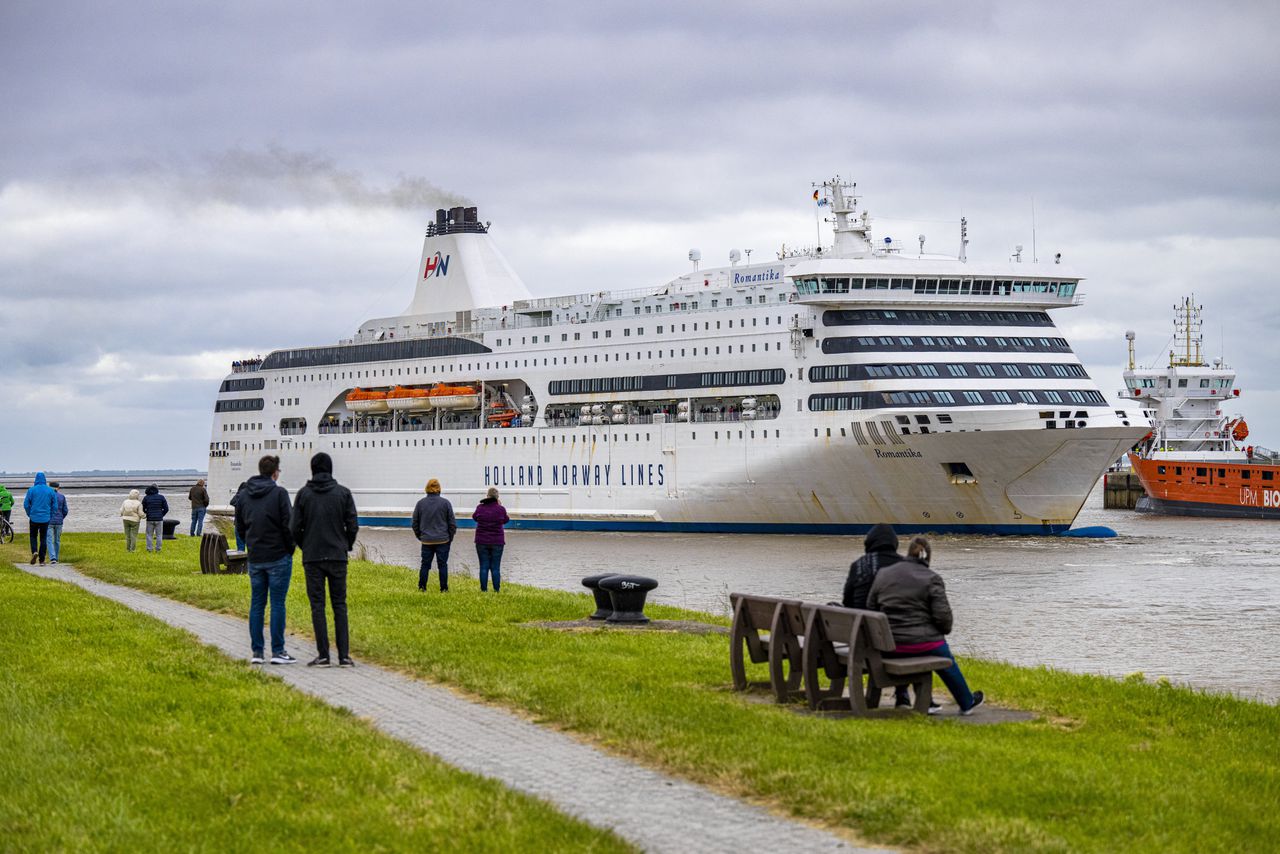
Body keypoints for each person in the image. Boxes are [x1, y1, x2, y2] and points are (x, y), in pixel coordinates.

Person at [867, 535, 985, 716]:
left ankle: (908, 698)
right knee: (943, 654)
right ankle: (966, 702)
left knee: (931, 647)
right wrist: (936, 631)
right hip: (922, 643)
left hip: (889, 645)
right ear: (927, 557)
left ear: (907, 554)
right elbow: (944, 619)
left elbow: (871, 608)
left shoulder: (883, 574)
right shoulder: (932, 578)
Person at [289, 452, 358, 668]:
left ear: (312, 469)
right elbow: (353, 524)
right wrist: (346, 545)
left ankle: (324, 655)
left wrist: (305, 545)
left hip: (313, 558)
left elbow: (293, 528)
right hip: (338, 557)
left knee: (317, 606)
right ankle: (344, 656)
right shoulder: (343, 493)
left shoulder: (303, 495)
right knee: (340, 605)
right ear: (330, 469)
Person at [842, 523, 911, 708]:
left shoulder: (858, 566)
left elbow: (847, 603)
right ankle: (903, 693)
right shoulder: (904, 565)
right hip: (897, 640)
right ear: (894, 543)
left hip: (862, 641)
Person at [236, 455, 296, 665]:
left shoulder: (244, 496)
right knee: (277, 604)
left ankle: (257, 653)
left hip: (256, 558)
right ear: (275, 473)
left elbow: (240, 528)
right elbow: (289, 525)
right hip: (278, 556)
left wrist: (251, 545)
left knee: (257, 604)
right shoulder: (279, 493)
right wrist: (290, 549)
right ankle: (278, 652)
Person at [411, 478, 455, 592]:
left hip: (426, 540)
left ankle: (422, 587)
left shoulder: (420, 504)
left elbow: (414, 523)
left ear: (427, 489)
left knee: (425, 565)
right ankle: (444, 589)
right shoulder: (446, 503)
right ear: (439, 489)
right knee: (442, 565)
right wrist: (450, 538)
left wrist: (420, 536)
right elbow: (452, 524)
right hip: (443, 540)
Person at [472, 486, 510, 592]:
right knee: (495, 567)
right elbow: (506, 520)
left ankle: (484, 590)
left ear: (487, 496)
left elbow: (474, 517)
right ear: (497, 498)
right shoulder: (501, 509)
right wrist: (500, 506)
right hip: (497, 542)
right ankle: (496, 590)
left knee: (483, 566)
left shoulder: (480, 508)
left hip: (481, 541)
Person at [22, 472, 57, 565]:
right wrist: (50, 515)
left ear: (36, 479)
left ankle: (34, 551)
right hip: (45, 518)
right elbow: (55, 506)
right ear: (45, 479)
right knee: (43, 538)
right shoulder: (50, 491)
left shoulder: (31, 490)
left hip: (34, 517)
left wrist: (30, 514)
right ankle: (42, 560)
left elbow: (26, 505)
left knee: (33, 536)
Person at [141, 484, 170, 552]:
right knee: (159, 535)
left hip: (150, 519)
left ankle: (149, 548)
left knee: (149, 535)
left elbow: (142, 508)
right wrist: (161, 515)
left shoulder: (146, 498)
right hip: (159, 519)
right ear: (157, 490)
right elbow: (166, 509)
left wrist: (147, 513)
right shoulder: (161, 497)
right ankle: (158, 549)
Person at [48, 482, 69, 564]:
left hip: (49, 521)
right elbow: (65, 510)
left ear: (50, 487)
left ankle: (52, 557)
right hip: (59, 521)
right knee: (57, 540)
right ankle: (56, 558)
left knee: (49, 539)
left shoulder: (48, 496)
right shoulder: (62, 497)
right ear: (58, 488)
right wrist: (61, 517)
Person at [230, 481, 248, 549]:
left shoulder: (238, 496)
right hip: (248, 524)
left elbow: (232, 502)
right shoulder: (250, 496)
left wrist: (238, 493)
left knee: (240, 546)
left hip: (238, 524)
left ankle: (241, 558)